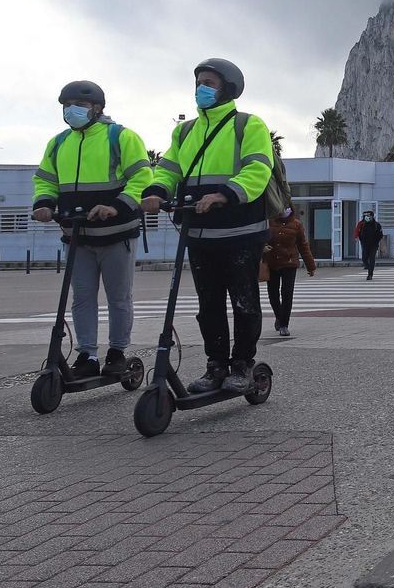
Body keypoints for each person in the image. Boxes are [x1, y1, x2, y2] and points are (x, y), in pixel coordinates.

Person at [141, 59, 275, 393]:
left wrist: (226, 194)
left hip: (241, 232)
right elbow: (169, 168)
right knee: (208, 304)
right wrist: (157, 191)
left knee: (244, 302)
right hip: (199, 233)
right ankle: (216, 366)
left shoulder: (247, 126)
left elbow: (258, 169)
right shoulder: (185, 131)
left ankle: (242, 365)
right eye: (199, 82)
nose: (201, 88)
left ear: (228, 88)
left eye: (209, 82)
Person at [31, 81, 152, 378]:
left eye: (80, 106)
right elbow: (45, 180)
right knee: (82, 297)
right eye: (66, 105)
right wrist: (44, 203)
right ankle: (87, 354)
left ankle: (117, 352)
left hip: (117, 235)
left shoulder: (120, 136)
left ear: (98, 108)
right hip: (77, 236)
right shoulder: (59, 143)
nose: (71, 111)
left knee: (118, 297)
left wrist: (117, 205)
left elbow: (143, 177)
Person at [262, 205, 315, 337]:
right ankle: (279, 316)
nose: (284, 210)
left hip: (289, 263)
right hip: (272, 261)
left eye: (287, 208)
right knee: (273, 294)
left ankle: (284, 324)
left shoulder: (296, 224)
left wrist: (310, 266)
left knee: (287, 293)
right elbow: (260, 238)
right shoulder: (269, 222)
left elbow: (303, 245)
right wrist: (263, 247)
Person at [355, 209, 383, 280]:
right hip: (365, 245)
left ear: (372, 217)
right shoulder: (363, 225)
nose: (366, 217)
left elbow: (380, 235)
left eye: (368, 216)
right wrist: (362, 241)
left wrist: (376, 241)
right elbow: (359, 233)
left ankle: (370, 274)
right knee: (364, 259)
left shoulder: (377, 225)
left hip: (373, 245)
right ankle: (368, 266)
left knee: (372, 259)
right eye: (365, 216)